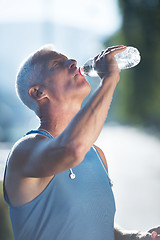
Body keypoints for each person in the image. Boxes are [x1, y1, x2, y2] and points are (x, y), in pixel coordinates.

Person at [3, 44, 160, 240]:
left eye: (69, 59)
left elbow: (99, 227)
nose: (73, 62)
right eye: (57, 64)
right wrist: (110, 80)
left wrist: (135, 237)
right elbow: (71, 150)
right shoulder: (25, 151)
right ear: (38, 92)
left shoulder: (97, 155)